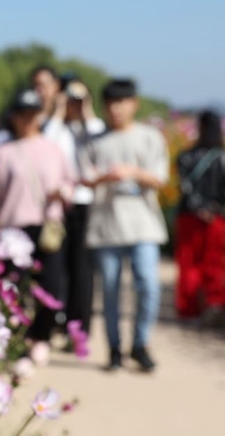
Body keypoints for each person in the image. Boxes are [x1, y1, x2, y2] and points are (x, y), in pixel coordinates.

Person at [81, 79, 169, 372]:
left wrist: (132, 172)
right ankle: (115, 349)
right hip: (107, 226)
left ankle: (140, 343)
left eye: (122, 102)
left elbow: (160, 179)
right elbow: (83, 177)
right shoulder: (94, 141)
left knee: (148, 286)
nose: (116, 109)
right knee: (109, 289)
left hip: (144, 224)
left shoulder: (150, 137)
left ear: (134, 104)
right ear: (104, 107)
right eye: (111, 103)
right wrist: (103, 177)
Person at [0, 89, 75, 363]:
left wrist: (63, 193)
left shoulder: (52, 149)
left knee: (50, 285)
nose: (27, 121)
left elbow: (70, 182)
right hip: (11, 227)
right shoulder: (0, 152)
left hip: (46, 227)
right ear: (13, 117)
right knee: (11, 286)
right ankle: (13, 337)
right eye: (23, 115)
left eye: (33, 115)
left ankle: (41, 336)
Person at [42, 78, 106, 338]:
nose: (74, 105)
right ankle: (52, 321)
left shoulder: (92, 128)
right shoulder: (57, 128)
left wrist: (87, 109)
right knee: (55, 268)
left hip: (85, 202)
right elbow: (45, 143)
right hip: (59, 203)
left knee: (82, 270)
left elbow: (100, 138)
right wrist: (58, 112)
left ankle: (78, 327)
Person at [175, 110, 225, 325]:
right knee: (214, 262)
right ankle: (215, 302)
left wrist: (199, 207)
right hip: (216, 219)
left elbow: (186, 187)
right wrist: (213, 208)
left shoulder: (186, 156)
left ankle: (189, 310)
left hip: (189, 217)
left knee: (189, 263)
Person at [31, 65, 62, 130]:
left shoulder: (68, 117)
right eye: (35, 86)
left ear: (57, 86)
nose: (38, 91)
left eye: (43, 85)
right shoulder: (27, 121)